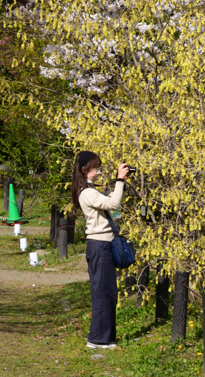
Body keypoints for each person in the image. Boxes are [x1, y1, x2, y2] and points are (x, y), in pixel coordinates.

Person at [72, 150, 130, 350]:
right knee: (103, 293)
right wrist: (119, 180)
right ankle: (97, 339)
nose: (98, 171)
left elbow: (110, 199)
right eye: (95, 167)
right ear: (84, 170)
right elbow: (113, 203)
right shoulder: (87, 192)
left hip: (101, 245)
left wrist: (120, 183)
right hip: (99, 246)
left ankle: (106, 338)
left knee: (108, 292)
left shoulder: (90, 190)